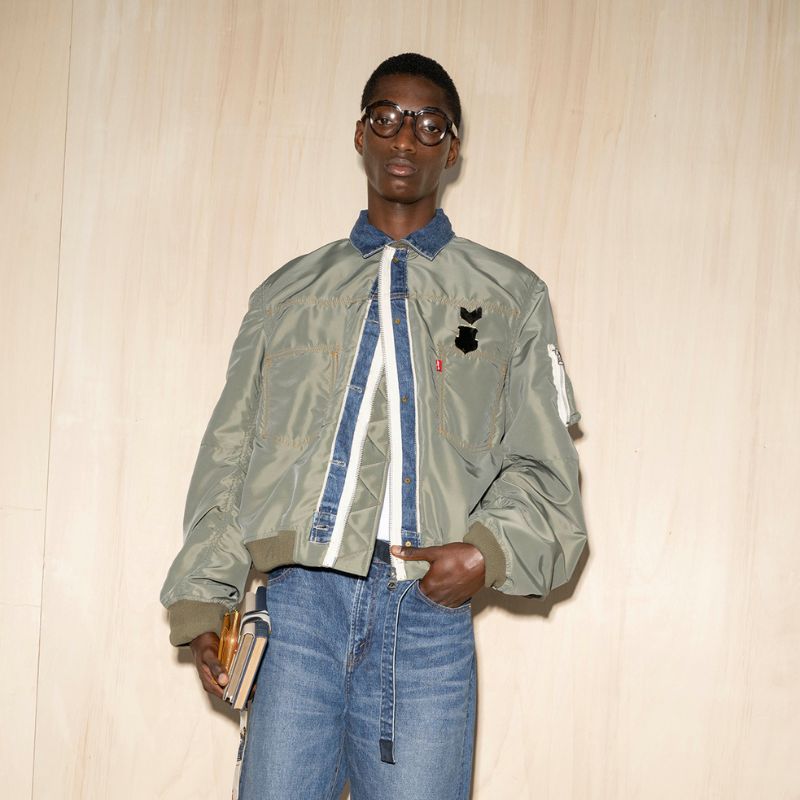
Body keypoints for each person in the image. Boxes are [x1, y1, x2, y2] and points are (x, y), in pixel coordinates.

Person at [160, 52, 587, 800]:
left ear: (452, 149)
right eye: (386, 118)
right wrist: (206, 598)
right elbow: (233, 452)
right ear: (361, 134)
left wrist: (486, 553)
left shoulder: (510, 296)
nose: (405, 138)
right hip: (297, 612)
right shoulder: (285, 294)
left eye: (429, 125)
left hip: (425, 615)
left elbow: (542, 465)